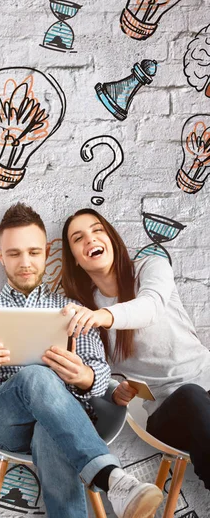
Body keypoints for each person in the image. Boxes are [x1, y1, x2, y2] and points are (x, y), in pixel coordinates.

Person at [0, 202, 163, 518]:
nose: (25, 262)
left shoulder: (73, 309)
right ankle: (110, 477)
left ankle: (113, 480)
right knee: (36, 375)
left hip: (64, 423)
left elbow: (100, 372)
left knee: (50, 430)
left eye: (33, 252)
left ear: (47, 252)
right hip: (4, 424)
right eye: (14, 253)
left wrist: (84, 376)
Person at [62, 208, 210, 491]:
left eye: (97, 230)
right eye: (78, 238)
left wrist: (105, 316)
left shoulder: (151, 267)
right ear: (76, 261)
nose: (90, 240)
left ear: (112, 238)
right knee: (190, 394)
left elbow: (150, 307)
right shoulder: (85, 311)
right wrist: (114, 390)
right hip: (167, 412)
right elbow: (97, 376)